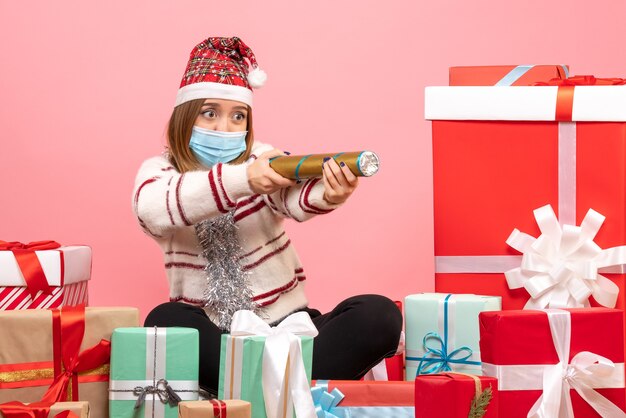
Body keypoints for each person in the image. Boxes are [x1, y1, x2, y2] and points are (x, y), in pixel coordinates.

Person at [133, 36, 402, 394]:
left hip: (290, 329)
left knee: (379, 314)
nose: (225, 128)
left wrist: (330, 192)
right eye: (210, 113)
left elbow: (292, 196)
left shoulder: (261, 157)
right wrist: (244, 179)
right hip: (219, 338)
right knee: (162, 322)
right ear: (185, 116)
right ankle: (287, 388)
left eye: (238, 116)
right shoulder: (161, 171)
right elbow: (154, 208)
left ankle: (249, 389)